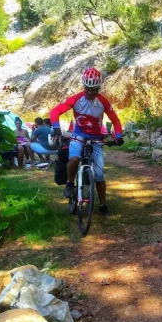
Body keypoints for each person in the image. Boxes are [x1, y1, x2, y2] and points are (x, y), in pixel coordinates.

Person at [50, 67, 124, 217]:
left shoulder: (102, 101)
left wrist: (119, 135)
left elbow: (115, 121)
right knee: (74, 159)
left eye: (93, 89)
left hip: (96, 138)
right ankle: (70, 183)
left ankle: (103, 205)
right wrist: (56, 127)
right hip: (78, 135)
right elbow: (55, 111)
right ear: (83, 86)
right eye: (87, 89)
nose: (90, 92)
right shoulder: (77, 99)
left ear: (98, 88)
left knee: (100, 176)